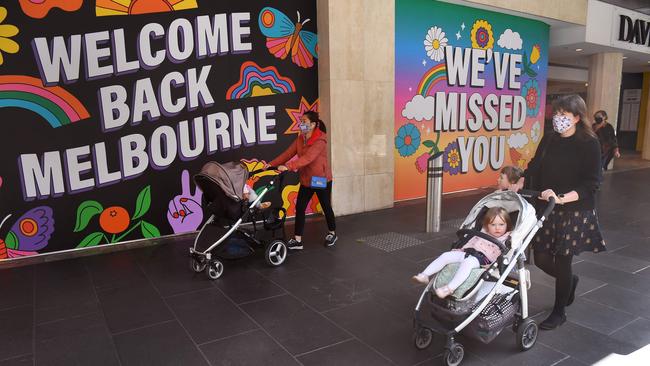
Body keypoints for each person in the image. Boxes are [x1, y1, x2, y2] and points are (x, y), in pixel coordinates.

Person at [514, 94, 606, 330]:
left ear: (577, 117)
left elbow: (592, 183)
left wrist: (562, 198)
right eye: (556, 114)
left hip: (573, 210)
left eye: (564, 115)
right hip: (546, 207)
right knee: (543, 258)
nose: (558, 119)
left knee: (563, 261)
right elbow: (535, 164)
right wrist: (519, 182)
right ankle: (570, 282)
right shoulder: (550, 139)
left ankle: (559, 311)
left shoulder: (589, 143)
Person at [267, 111, 337, 249]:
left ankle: (332, 233)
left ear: (312, 125)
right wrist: (271, 164)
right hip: (306, 179)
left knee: (325, 206)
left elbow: (308, 158)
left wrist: (288, 167)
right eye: (301, 120)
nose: (301, 123)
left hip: (320, 179)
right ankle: (297, 240)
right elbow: (288, 153)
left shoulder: (320, 140)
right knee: (300, 207)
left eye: (304, 121)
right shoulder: (300, 139)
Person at [411, 207, 512, 299]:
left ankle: (449, 288)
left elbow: (510, 247)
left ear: (507, 225)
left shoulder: (506, 238)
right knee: (446, 255)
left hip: (482, 259)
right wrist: (461, 249)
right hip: (467, 252)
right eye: (493, 224)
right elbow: (471, 242)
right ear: (486, 225)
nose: (497, 228)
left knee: (467, 263)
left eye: (501, 224)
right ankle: (424, 275)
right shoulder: (483, 232)